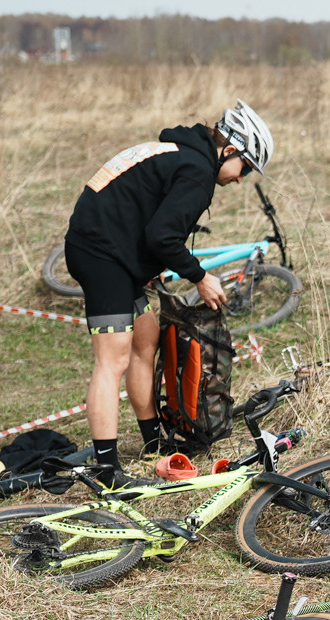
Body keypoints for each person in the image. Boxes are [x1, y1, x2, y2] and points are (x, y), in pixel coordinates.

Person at [62, 102, 273, 481]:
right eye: (245, 167)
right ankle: (107, 468)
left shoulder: (184, 154)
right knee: (112, 361)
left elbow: (142, 213)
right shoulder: (196, 173)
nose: (241, 179)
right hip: (99, 253)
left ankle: (151, 442)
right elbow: (162, 236)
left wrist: (146, 267)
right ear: (230, 150)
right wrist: (199, 276)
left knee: (146, 340)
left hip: (113, 250)